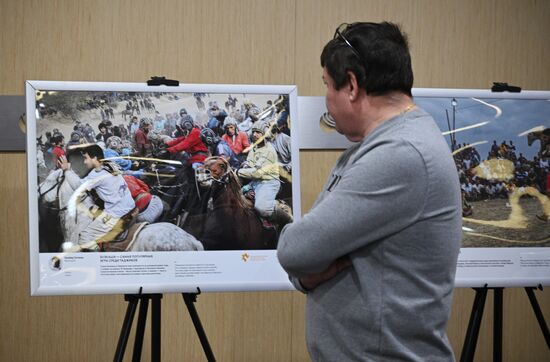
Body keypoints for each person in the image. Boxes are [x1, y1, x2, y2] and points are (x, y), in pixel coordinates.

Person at [277, 22, 462, 361]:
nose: (326, 100)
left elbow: (294, 248)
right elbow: (305, 255)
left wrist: (306, 263)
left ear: (350, 84)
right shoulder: (372, 147)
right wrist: (306, 274)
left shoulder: (401, 152)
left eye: (326, 86)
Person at [58, 144, 136, 251]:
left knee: (84, 237)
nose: (85, 162)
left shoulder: (97, 175)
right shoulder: (109, 165)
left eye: (86, 158)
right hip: (130, 206)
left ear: (94, 158)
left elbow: (78, 186)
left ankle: (99, 258)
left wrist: (67, 170)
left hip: (117, 213)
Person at [237, 121, 291, 225]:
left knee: (262, 208)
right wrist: (247, 165)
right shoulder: (254, 146)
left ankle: (287, 219)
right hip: (255, 182)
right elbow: (250, 163)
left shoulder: (269, 150)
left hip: (269, 182)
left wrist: (238, 171)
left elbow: (256, 173)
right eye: (253, 132)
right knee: (234, 198)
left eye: (258, 132)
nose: (254, 134)